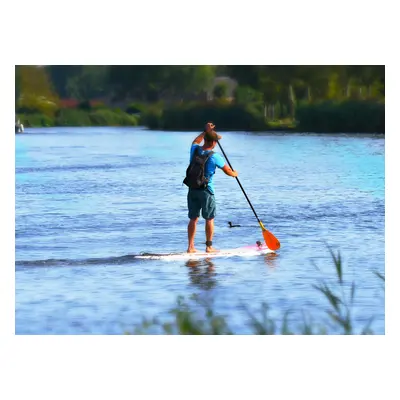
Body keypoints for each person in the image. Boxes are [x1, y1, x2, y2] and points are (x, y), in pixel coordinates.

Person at [186, 122, 238, 253]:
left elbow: (195, 141)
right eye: (216, 141)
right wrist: (234, 173)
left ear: (205, 139)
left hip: (192, 189)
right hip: (206, 191)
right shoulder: (215, 156)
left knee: (193, 218)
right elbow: (227, 171)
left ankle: (190, 247)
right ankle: (209, 247)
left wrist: (205, 131)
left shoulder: (195, 150)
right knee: (209, 219)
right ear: (214, 142)